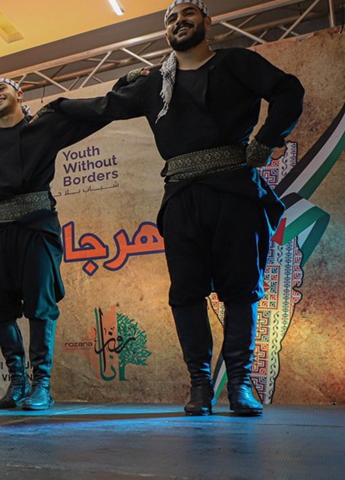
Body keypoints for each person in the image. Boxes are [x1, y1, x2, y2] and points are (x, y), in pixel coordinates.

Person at [39, 0, 304, 416]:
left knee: (241, 292)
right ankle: (200, 387)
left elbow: (289, 90)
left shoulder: (235, 62)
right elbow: (106, 107)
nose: (179, 21)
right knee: (185, 294)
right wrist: (60, 105)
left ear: (207, 21)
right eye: (171, 18)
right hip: (181, 198)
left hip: (236, 191)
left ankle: (239, 385)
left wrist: (267, 138)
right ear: (166, 32)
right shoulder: (153, 84)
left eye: (187, 14)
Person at [0, 78, 107, 410]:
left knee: (39, 303)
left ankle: (42, 385)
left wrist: (61, 105)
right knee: (0, 309)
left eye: (0, 90)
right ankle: (18, 382)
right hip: (2, 228)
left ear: (20, 94)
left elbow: (96, 114)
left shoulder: (44, 128)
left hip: (38, 224)